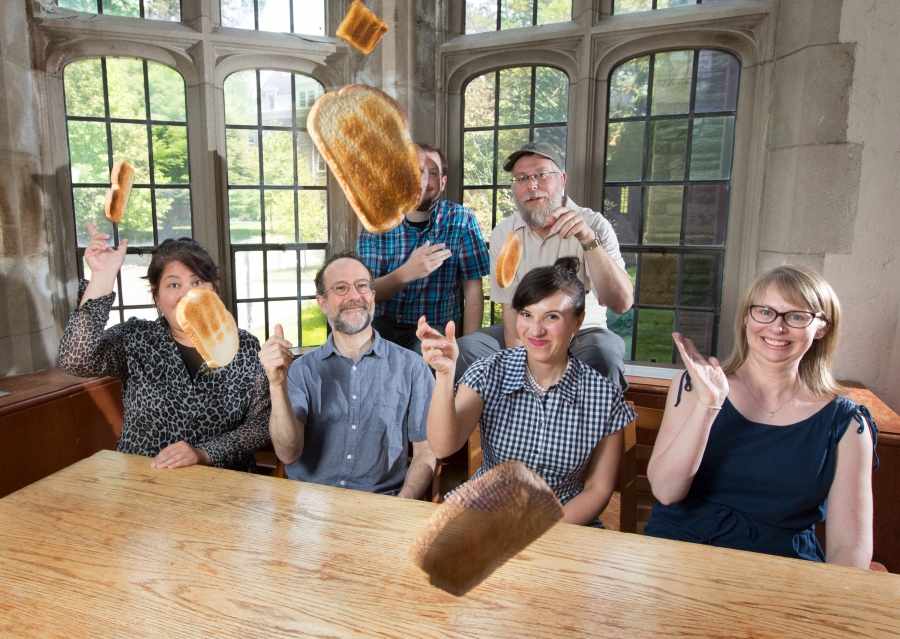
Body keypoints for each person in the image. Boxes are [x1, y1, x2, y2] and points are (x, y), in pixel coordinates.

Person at [644, 265, 879, 568]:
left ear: (821, 328)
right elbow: (665, 492)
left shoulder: (847, 422)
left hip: (784, 569)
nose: (777, 327)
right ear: (746, 317)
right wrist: (709, 405)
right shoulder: (694, 387)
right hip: (682, 553)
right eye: (765, 311)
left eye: (796, 316)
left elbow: (850, 546)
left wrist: (827, 605)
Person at [419, 257, 636, 526]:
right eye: (526, 314)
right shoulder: (489, 371)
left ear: (577, 322)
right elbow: (442, 446)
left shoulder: (604, 396)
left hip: (563, 524)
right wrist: (445, 374)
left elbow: (598, 488)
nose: (536, 330)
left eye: (552, 317)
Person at [58, 223, 271, 472]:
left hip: (226, 487)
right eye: (173, 285)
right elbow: (76, 359)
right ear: (156, 295)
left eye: (198, 281)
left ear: (214, 286)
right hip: (146, 484)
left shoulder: (244, 346)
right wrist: (103, 275)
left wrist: (205, 454)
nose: (188, 295)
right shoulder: (136, 338)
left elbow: (260, 424)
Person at [454, 142, 633, 389]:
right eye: (521, 178)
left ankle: (585, 427)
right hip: (526, 330)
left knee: (603, 357)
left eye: (540, 175)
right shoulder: (504, 233)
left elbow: (621, 303)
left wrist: (588, 241)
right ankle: (505, 423)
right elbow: (510, 308)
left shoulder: (595, 225)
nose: (532, 185)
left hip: (582, 334)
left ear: (562, 179)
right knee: (465, 351)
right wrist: (520, 370)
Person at [260, 251, 437, 498]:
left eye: (362, 286)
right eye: (340, 288)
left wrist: (402, 504)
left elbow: (426, 452)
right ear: (322, 302)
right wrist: (276, 385)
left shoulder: (413, 368)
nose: (354, 296)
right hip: (308, 508)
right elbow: (288, 453)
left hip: (380, 508)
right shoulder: (301, 371)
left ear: (373, 297)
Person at [357, 143, 490, 354]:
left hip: (432, 327)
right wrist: (406, 273)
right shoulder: (376, 221)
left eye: (433, 173)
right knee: (354, 350)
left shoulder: (462, 220)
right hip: (379, 323)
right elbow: (364, 291)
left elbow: (473, 289)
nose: (424, 180)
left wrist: (468, 347)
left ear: (443, 182)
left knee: (427, 357)